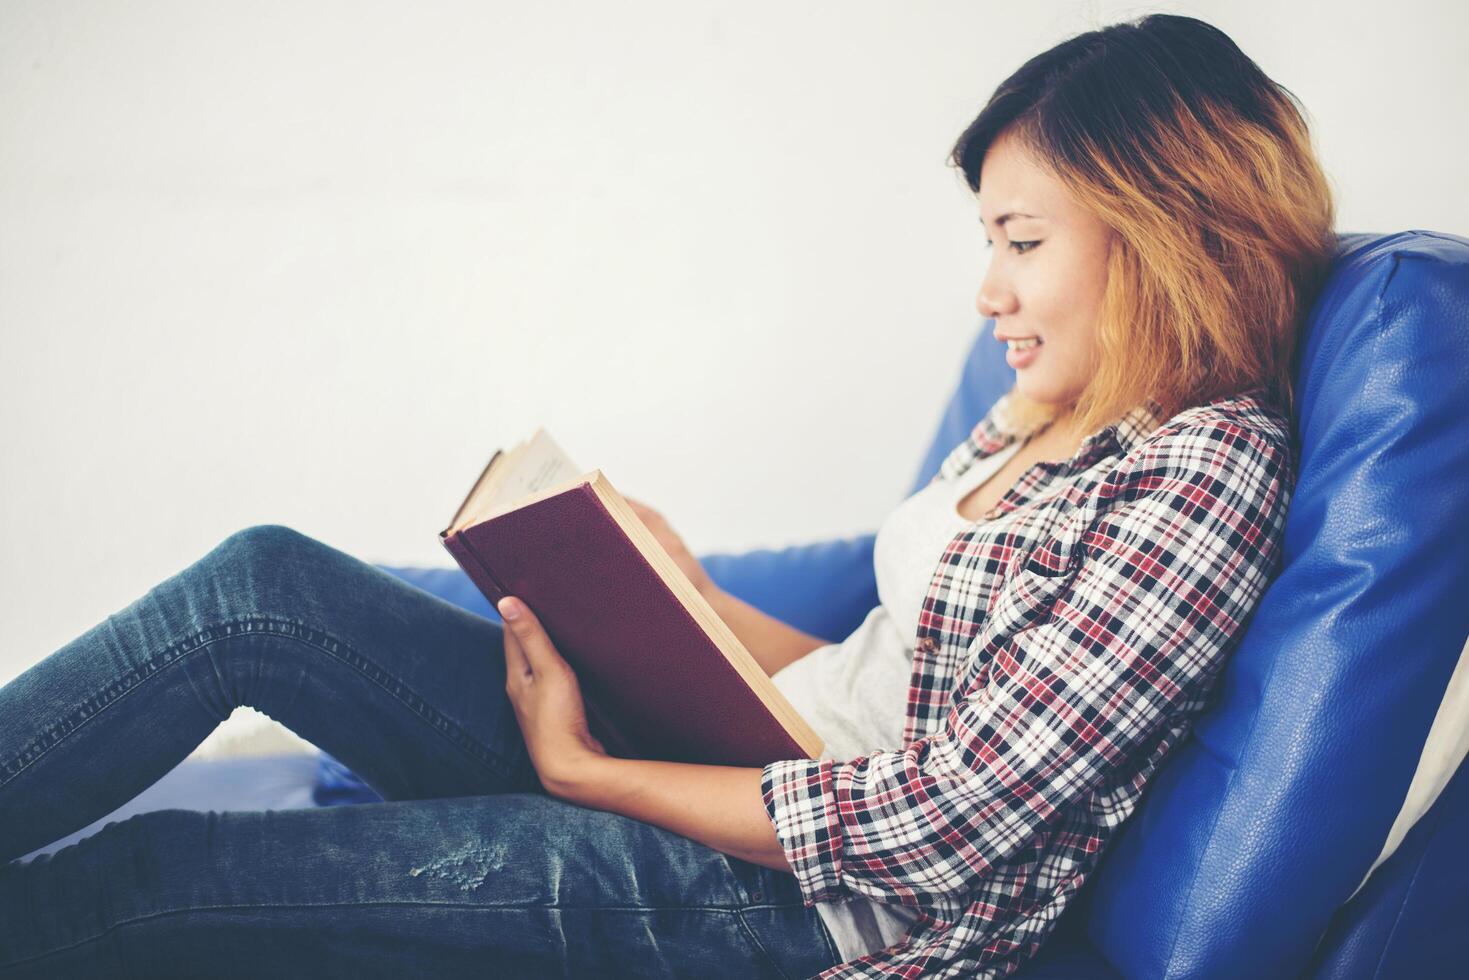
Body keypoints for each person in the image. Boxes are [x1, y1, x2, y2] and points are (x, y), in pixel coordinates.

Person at [0, 12, 1336, 979]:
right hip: (733, 752)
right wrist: (680, 596)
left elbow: (944, 821)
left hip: (791, 899)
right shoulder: (1041, 408)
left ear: (1164, 231)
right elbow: (891, 681)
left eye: (1019, 241)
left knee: (151, 884)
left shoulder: (1201, 476)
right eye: (987, 238)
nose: (985, 288)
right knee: (262, 586)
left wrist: (594, 774)